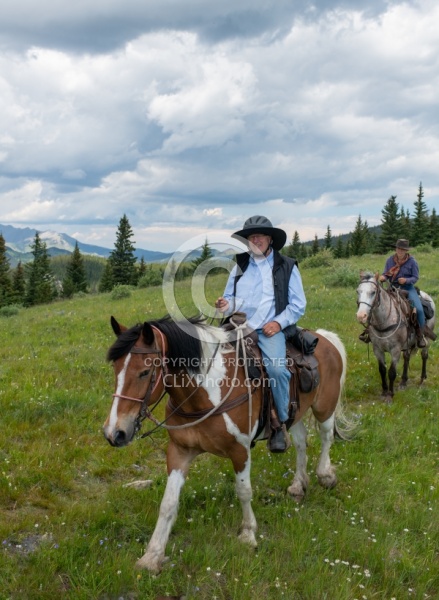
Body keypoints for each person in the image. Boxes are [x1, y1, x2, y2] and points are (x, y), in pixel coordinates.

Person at [215, 215, 306, 452]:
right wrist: (226, 304)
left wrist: (278, 323)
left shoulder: (286, 266)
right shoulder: (240, 266)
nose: (256, 240)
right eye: (251, 237)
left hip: (268, 329)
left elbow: (298, 304)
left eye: (260, 236)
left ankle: (280, 424)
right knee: (212, 356)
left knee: (276, 369)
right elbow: (232, 299)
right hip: (238, 326)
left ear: (269, 239)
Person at [379, 239, 427, 347]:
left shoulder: (412, 262)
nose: (400, 251)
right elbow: (386, 274)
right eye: (398, 249)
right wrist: (383, 277)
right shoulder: (390, 260)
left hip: (408, 288)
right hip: (392, 287)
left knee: (418, 309)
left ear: (406, 250)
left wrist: (406, 280)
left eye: (402, 249)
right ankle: (372, 332)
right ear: (395, 249)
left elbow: (415, 277)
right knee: (378, 304)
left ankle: (420, 335)